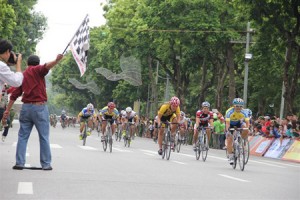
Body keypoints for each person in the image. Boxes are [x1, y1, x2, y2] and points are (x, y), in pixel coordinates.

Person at [3, 54, 63, 170]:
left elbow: (14, 95)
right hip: (39, 107)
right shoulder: (37, 70)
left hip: (26, 108)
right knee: (44, 137)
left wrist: (7, 110)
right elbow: (47, 66)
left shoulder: (23, 75)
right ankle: (46, 164)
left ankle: (19, 163)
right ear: (38, 63)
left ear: (27, 63)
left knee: (22, 136)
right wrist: (56, 60)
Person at [225, 98, 249, 165]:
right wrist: (228, 130)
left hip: (239, 123)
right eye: (237, 106)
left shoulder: (244, 112)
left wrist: (248, 129)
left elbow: (247, 122)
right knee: (229, 138)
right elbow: (227, 123)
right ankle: (231, 156)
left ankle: (242, 141)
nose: (239, 108)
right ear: (234, 106)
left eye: (240, 106)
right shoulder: (229, 111)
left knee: (245, 128)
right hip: (231, 124)